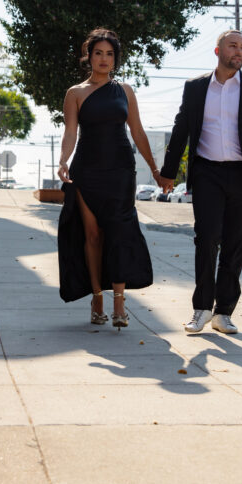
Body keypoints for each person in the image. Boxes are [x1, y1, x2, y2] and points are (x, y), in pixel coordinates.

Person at [160, 29, 242, 335]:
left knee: (234, 245)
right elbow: (181, 128)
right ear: (218, 51)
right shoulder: (196, 87)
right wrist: (169, 171)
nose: (238, 52)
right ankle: (201, 309)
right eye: (232, 46)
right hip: (207, 174)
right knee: (206, 239)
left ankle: (223, 312)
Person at [57, 28, 158, 329]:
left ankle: (119, 304)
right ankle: (97, 298)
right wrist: (63, 161)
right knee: (92, 235)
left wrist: (153, 168)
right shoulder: (75, 93)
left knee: (119, 234)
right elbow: (70, 133)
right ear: (88, 56)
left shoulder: (125, 91)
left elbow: (137, 132)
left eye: (109, 54)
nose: (103, 59)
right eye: (98, 52)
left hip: (121, 170)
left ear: (115, 59)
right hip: (87, 170)